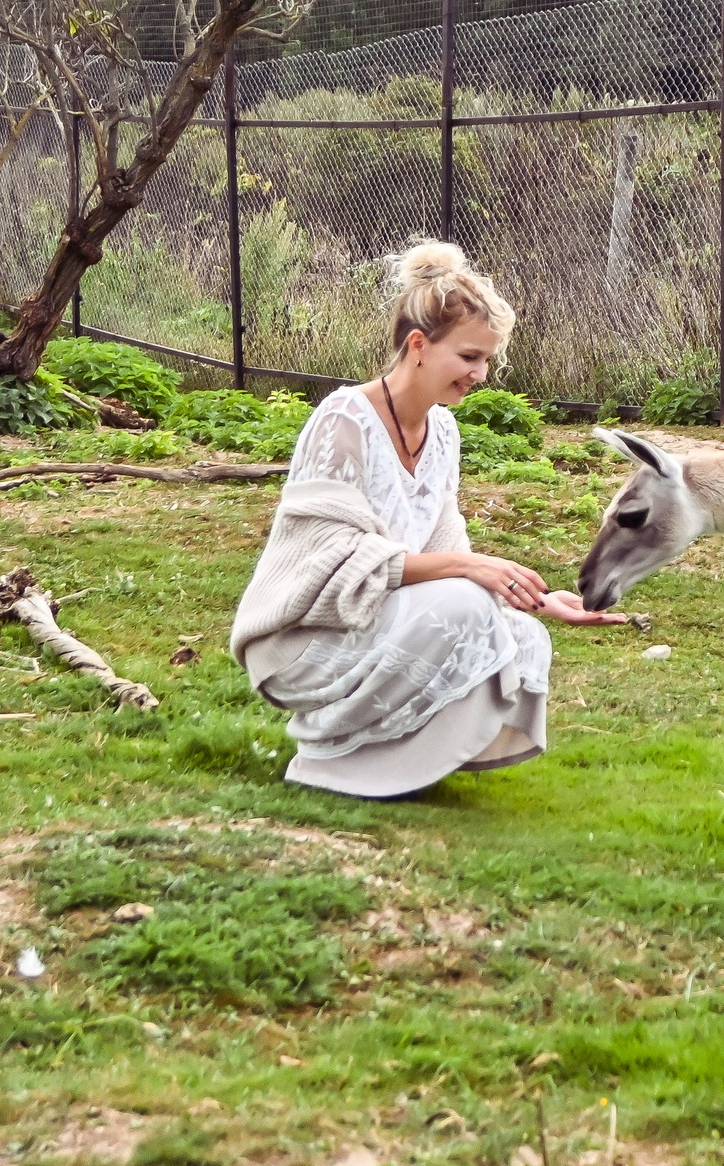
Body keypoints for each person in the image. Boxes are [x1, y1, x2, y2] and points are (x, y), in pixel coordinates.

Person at [228, 239, 629, 797]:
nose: (481, 373)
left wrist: (536, 600)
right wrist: (467, 569)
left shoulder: (443, 432)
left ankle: (388, 764)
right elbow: (331, 561)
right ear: (418, 345)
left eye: (487, 360)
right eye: (469, 357)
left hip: (372, 621)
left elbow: (447, 548)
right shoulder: (344, 418)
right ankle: (330, 755)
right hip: (301, 637)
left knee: (521, 633)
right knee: (464, 605)